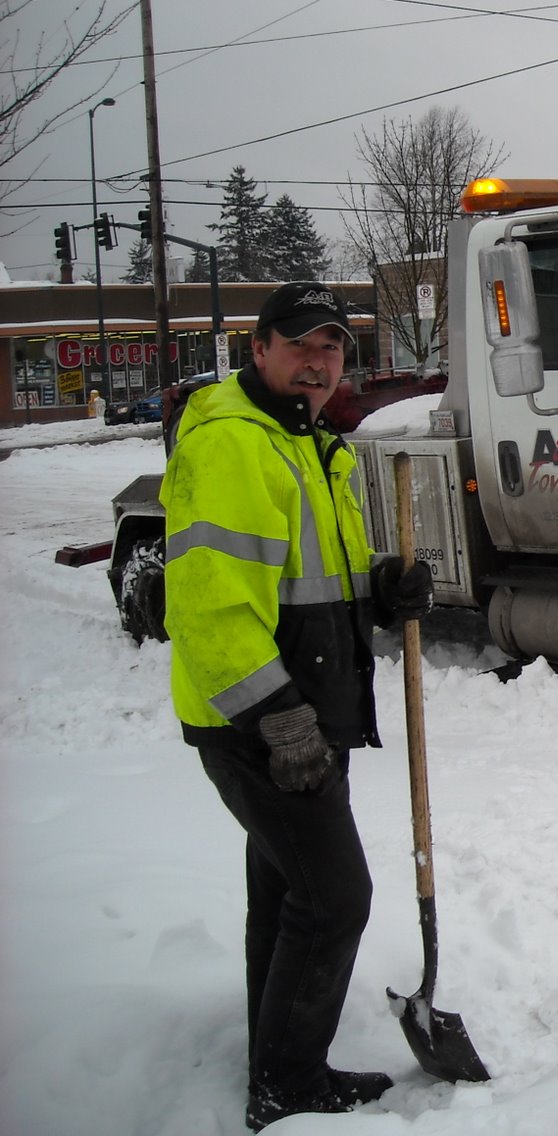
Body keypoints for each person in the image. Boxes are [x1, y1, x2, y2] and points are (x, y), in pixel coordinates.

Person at [160, 281, 434, 1132]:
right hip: (262, 723)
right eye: (301, 345)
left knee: (287, 894)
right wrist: (279, 720)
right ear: (260, 351)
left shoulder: (311, 446)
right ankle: (288, 1085)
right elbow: (210, 605)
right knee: (335, 897)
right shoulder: (236, 446)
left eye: (333, 349)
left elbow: (313, 585)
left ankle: (275, 1058)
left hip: (305, 717)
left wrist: (383, 594)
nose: (318, 363)